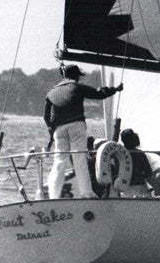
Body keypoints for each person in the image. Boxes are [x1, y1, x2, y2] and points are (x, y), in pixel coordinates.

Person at [43, 65, 123, 199]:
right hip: (76, 126)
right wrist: (116, 89)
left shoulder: (51, 92)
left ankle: (53, 195)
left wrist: (52, 129)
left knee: (59, 161)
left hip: (59, 129)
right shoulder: (77, 86)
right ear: (76, 76)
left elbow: (46, 116)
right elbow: (100, 94)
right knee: (79, 158)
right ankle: (86, 193)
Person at [120, 128, 153, 197]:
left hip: (122, 187)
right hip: (139, 186)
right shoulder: (139, 153)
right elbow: (148, 172)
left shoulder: (118, 153)